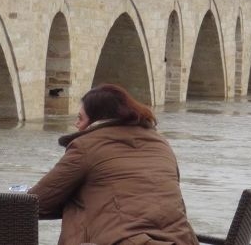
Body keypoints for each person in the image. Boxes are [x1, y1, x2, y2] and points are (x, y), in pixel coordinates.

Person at [28, 84, 198, 245]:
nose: (76, 124)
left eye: (80, 118)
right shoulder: (161, 145)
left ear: (96, 120)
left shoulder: (87, 145)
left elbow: (37, 203)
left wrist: (72, 198)